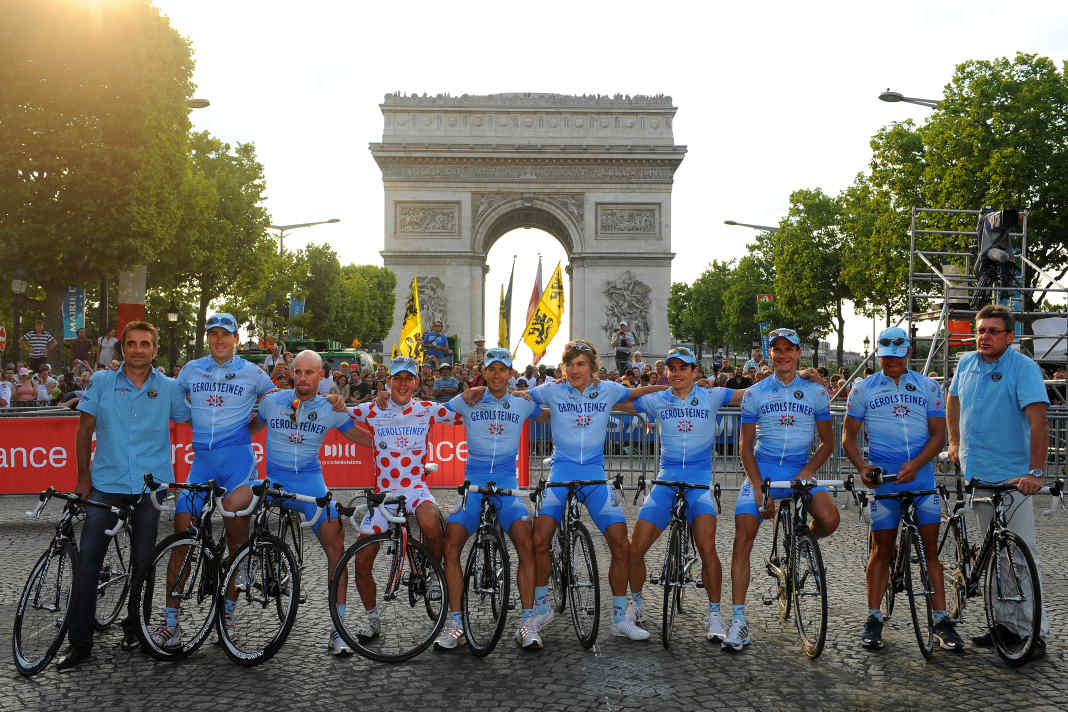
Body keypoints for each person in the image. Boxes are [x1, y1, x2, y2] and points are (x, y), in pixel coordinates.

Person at [55, 320, 190, 670]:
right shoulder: (101, 382)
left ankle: (137, 629)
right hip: (107, 485)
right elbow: (84, 432)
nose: (138, 349)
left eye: (145, 343)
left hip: (150, 488)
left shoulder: (171, 388)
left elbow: (201, 418)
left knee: (144, 565)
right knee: (88, 564)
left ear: (155, 349)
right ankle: (79, 644)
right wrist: (83, 478)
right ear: (123, 349)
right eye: (132, 343)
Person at [528, 339, 666, 641]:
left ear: (593, 368)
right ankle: (540, 609)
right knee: (539, 540)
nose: (575, 370)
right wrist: (481, 395)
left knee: (621, 542)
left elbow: (637, 393)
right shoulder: (552, 390)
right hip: (560, 473)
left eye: (581, 364)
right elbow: (518, 397)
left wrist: (673, 391)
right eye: (570, 364)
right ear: (563, 367)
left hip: (594, 476)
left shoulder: (608, 389)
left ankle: (619, 618)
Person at [154, 313, 277, 649]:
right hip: (201, 464)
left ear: (236, 338)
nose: (219, 340)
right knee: (181, 537)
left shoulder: (254, 372)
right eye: (213, 335)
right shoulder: (191, 370)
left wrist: (250, 430)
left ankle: (228, 616)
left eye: (226, 334)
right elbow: (162, 395)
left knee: (238, 543)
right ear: (207, 338)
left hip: (237, 466)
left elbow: (278, 404)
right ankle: (171, 623)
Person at [843, 327, 963, 652]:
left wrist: (918, 462)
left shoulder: (928, 386)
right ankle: (873, 615)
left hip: (921, 478)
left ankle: (940, 619)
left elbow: (939, 434)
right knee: (882, 549)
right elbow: (848, 438)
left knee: (930, 551)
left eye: (898, 357)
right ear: (878, 356)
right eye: (886, 357)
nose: (892, 362)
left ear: (907, 353)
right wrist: (862, 467)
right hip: (885, 480)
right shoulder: (863, 388)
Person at [248, 350, 373, 655]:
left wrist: (397, 446)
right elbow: (247, 429)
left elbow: (359, 436)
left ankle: (338, 629)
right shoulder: (272, 401)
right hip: (275, 480)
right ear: (292, 373)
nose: (303, 379)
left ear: (322, 376)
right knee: (235, 518)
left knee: (337, 544)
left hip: (309, 482)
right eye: (298, 372)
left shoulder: (331, 407)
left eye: (309, 373)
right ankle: (228, 609)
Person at [947, 304, 1051, 658]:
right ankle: (1003, 626)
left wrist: (1035, 472)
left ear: (1009, 336)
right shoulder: (965, 364)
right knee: (993, 554)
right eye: (980, 330)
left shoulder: (1023, 368)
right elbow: (952, 399)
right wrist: (954, 442)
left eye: (993, 331)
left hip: (1014, 478)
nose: (984, 337)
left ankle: (1032, 632)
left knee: (1020, 556)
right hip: (976, 473)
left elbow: (1039, 421)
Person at [617, 346, 742, 641]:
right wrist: (576, 388)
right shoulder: (658, 400)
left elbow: (749, 394)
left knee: (708, 549)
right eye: (671, 368)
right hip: (666, 481)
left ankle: (714, 615)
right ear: (666, 372)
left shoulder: (712, 396)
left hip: (699, 483)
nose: (677, 373)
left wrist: (794, 375)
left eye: (683, 368)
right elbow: (617, 400)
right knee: (635, 549)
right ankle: (636, 604)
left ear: (695, 372)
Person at [726, 327, 838, 651]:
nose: (784, 354)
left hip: (799, 471)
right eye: (778, 350)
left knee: (830, 519)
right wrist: (759, 486)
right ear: (770, 355)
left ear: (798, 353)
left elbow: (828, 443)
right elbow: (744, 447)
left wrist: (807, 471)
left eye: (790, 349)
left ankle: (802, 546)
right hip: (765, 472)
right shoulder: (755, 392)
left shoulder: (815, 393)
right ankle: (738, 620)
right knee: (743, 534)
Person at [433, 348, 544, 650]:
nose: (497, 375)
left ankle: (528, 621)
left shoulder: (523, 403)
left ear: (510, 374)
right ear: (485, 372)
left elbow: (556, 412)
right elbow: (431, 411)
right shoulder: (469, 398)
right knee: (452, 542)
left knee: (526, 540)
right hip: (474, 482)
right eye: (492, 369)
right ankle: (455, 621)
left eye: (503, 370)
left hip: (507, 482)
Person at [347, 356, 464, 641]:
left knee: (432, 524)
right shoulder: (373, 409)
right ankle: (372, 618)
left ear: (415, 382)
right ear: (388, 382)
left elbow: (463, 412)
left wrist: (484, 393)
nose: (401, 383)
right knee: (361, 561)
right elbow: (337, 410)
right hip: (384, 496)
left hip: (415, 489)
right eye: (396, 378)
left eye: (407, 379)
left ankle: (432, 572)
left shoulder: (426, 408)